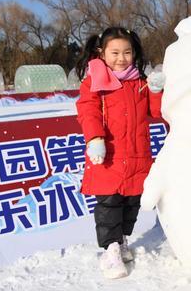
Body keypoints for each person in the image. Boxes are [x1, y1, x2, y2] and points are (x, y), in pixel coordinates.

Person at [75, 27, 164, 279]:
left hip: (136, 155)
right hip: (108, 156)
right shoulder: (94, 82)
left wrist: (156, 91)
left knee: (131, 203)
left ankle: (122, 239)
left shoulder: (139, 82)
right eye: (115, 52)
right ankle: (110, 249)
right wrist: (94, 139)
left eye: (127, 52)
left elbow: (155, 113)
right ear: (101, 53)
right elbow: (87, 111)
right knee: (109, 205)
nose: (121, 58)